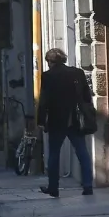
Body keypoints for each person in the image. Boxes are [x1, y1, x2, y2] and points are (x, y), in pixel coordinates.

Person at [37, 48, 94, 198]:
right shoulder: (77, 73)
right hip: (75, 119)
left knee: (54, 154)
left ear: (49, 62)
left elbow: (44, 100)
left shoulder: (48, 76)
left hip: (57, 120)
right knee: (82, 152)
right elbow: (86, 96)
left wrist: (41, 120)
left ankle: (53, 187)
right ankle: (88, 185)